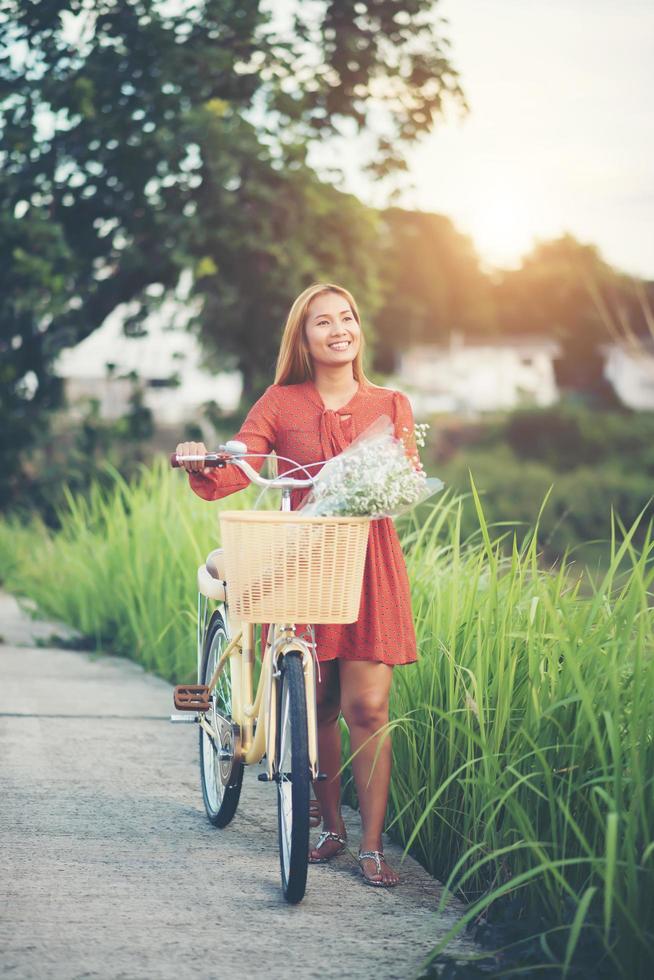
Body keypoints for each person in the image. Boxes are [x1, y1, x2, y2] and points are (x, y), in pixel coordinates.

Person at [176, 282, 420, 887]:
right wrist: (205, 462)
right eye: (323, 323)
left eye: (347, 318)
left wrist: (399, 477)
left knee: (369, 706)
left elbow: (409, 473)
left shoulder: (390, 403)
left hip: (369, 562)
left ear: (358, 329)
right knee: (322, 706)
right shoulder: (280, 403)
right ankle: (331, 829)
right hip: (304, 555)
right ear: (303, 339)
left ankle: (371, 846)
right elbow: (242, 460)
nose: (339, 329)